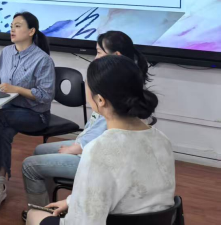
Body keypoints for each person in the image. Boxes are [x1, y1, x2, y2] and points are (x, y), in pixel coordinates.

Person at [26, 54, 174, 225]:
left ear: (101, 100)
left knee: (33, 215)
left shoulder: (98, 150)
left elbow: (84, 222)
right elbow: (129, 190)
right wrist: (71, 201)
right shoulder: (162, 140)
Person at [21, 30, 151, 210]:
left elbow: (101, 136)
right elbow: (97, 128)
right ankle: (50, 206)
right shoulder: (122, 81)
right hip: (93, 148)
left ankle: (42, 213)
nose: (95, 58)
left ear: (116, 55)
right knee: (39, 150)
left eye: (99, 52)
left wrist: (75, 149)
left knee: (29, 165)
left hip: (94, 155)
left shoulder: (114, 90)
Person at [0, 12, 55, 213]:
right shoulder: (6, 52)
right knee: (4, 133)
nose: (12, 29)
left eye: (18, 26)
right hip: (11, 112)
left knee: (0, 117)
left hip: (35, 114)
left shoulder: (43, 60)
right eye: (11, 26)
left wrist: (16, 89)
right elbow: (1, 80)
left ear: (31, 31)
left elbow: (45, 96)